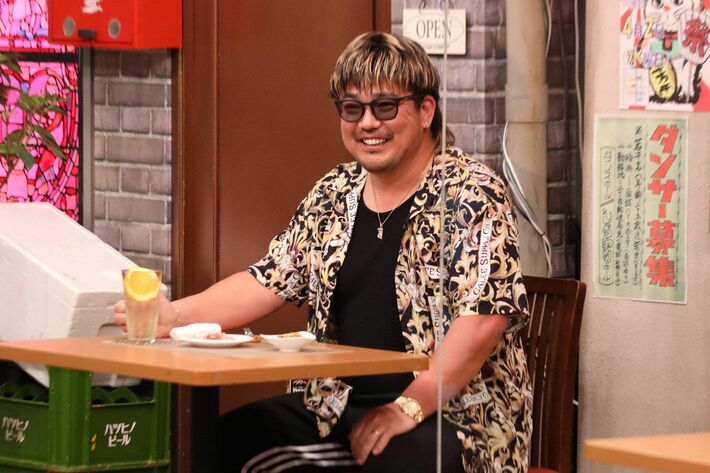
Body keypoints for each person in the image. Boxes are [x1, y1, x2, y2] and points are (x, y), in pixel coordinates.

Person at [115, 32, 531, 473]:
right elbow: (267, 279)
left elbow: (483, 319)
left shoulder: (470, 193)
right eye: (352, 109)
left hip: (453, 418)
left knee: (392, 461)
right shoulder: (335, 191)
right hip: (333, 407)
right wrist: (175, 316)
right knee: (221, 441)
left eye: (385, 107)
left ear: (426, 110)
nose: (367, 123)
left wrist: (407, 407)